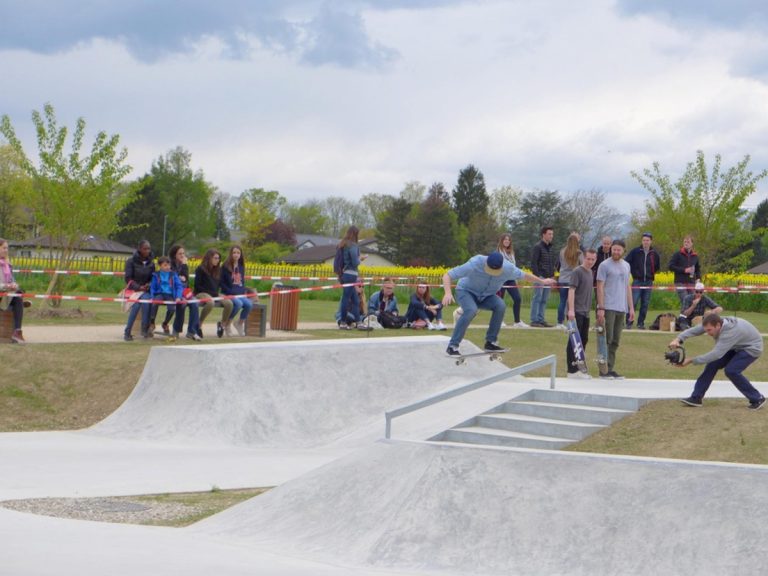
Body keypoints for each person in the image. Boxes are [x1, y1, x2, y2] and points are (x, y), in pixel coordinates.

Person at [442, 252, 555, 356]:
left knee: (500, 305)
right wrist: (447, 293)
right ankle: (453, 346)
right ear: (486, 263)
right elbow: (448, 275)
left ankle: (490, 343)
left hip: (486, 296)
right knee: (471, 309)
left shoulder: (509, 268)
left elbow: (525, 275)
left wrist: (543, 281)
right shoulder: (475, 263)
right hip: (466, 292)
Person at [671, 314, 765, 410]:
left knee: (731, 371)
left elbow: (716, 354)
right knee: (712, 364)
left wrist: (691, 360)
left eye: (709, 330)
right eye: (706, 330)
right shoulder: (714, 322)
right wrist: (678, 339)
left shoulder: (729, 333)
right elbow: (695, 330)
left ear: (718, 326)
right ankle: (696, 398)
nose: (707, 333)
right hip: (736, 346)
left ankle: (757, 398)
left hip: (752, 348)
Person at [596, 239, 634, 379]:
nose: (616, 252)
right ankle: (603, 370)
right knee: (607, 338)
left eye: (619, 250)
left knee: (616, 340)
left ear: (623, 251)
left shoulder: (626, 266)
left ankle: (610, 368)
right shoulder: (604, 265)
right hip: (608, 306)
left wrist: (631, 308)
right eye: (614, 249)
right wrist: (601, 307)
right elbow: (600, 287)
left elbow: (627, 287)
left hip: (621, 307)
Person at [566, 249, 598, 379]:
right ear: (583, 258)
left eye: (592, 259)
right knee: (574, 341)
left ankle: (579, 368)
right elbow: (571, 291)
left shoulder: (590, 272)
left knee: (583, 340)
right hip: (577, 311)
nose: (590, 261)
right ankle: (571, 370)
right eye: (588, 259)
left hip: (586, 311)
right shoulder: (577, 272)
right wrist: (571, 310)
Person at [160, 245, 201, 340]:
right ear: (174, 255)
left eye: (183, 253)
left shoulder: (183, 264)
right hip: (172, 291)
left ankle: (192, 331)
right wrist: (180, 278)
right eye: (180, 253)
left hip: (184, 291)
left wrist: (184, 266)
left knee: (194, 303)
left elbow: (185, 279)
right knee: (181, 304)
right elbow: (173, 279)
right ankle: (176, 330)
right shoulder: (169, 264)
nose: (182, 255)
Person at [193, 248, 234, 338]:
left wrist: (219, 294)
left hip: (214, 294)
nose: (217, 260)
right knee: (210, 302)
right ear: (209, 258)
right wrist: (213, 293)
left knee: (229, 303)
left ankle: (222, 325)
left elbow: (218, 285)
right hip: (201, 293)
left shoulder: (218, 270)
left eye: (218, 258)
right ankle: (199, 325)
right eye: (215, 258)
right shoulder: (200, 269)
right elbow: (197, 285)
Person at [624, 232, 661, 330]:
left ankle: (641, 323)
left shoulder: (654, 254)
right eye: (644, 240)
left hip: (648, 282)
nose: (645, 242)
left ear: (651, 241)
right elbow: (626, 262)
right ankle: (628, 322)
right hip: (637, 281)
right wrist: (634, 272)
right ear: (642, 241)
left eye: (647, 240)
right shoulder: (635, 251)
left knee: (645, 303)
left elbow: (657, 266)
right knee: (633, 302)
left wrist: (650, 274)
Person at [123, 239, 155, 341]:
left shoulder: (151, 263)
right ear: (139, 249)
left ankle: (144, 330)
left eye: (149, 249)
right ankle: (127, 332)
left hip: (145, 290)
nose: (147, 251)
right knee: (136, 305)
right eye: (145, 249)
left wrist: (148, 285)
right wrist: (138, 287)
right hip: (133, 289)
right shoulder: (131, 261)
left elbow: (153, 278)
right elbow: (128, 278)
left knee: (146, 302)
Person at [220, 245, 256, 336]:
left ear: (241, 255)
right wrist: (230, 292)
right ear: (231, 254)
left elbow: (242, 282)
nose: (236, 254)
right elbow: (221, 283)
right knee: (238, 304)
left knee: (249, 304)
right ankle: (227, 324)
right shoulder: (225, 266)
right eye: (234, 252)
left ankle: (239, 323)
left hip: (239, 293)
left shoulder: (241, 266)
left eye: (238, 253)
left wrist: (243, 292)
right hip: (228, 293)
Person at [336, 225, 367, 330]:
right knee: (346, 298)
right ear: (355, 234)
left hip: (345, 274)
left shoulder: (343, 244)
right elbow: (354, 262)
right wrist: (361, 259)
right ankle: (343, 322)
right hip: (351, 274)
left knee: (355, 300)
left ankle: (358, 322)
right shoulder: (353, 246)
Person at [495, 233, 528, 328]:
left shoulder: (511, 253)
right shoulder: (498, 252)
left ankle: (517, 322)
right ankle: (499, 321)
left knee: (517, 298)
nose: (507, 241)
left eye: (508, 240)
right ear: (501, 241)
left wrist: (516, 278)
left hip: (511, 279)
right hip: (501, 279)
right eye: (505, 239)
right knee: (500, 301)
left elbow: (514, 267)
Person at [0, 238, 29, 344]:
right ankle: (17, 332)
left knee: (18, 294)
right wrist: (7, 286)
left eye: (7, 248)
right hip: (1, 294)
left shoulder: (8, 264)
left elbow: (13, 279)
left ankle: (17, 331)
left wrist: (14, 285)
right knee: (18, 297)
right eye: (4, 248)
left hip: (7, 294)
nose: (6, 250)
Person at [150, 256, 184, 338]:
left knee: (172, 309)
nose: (168, 267)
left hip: (170, 295)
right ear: (160, 266)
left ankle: (165, 323)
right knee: (154, 304)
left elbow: (179, 286)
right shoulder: (156, 275)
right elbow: (153, 287)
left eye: (169, 265)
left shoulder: (173, 275)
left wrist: (178, 297)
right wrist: (152, 297)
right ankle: (152, 322)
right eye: (165, 265)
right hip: (160, 294)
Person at [530, 226, 556, 327]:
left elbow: (551, 263)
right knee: (537, 298)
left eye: (552, 234)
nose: (551, 236)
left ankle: (541, 319)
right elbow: (533, 263)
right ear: (543, 235)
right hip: (540, 277)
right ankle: (534, 320)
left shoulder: (550, 248)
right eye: (549, 234)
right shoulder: (537, 247)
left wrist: (552, 276)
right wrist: (537, 277)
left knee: (544, 299)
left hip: (548, 277)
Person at [556, 232, 582, 330]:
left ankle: (559, 322)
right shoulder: (579, 253)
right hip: (573, 280)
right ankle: (570, 322)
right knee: (572, 302)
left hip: (562, 278)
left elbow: (559, 264)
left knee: (562, 301)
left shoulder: (562, 251)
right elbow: (582, 264)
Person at [669, 235, 700, 305]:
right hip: (680, 282)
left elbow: (698, 269)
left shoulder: (695, 256)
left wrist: (698, 278)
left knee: (693, 302)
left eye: (688, 242)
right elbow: (671, 266)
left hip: (691, 282)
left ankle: (689, 316)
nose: (686, 243)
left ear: (692, 243)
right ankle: (683, 316)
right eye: (685, 242)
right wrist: (684, 270)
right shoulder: (677, 254)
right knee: (685, 300)